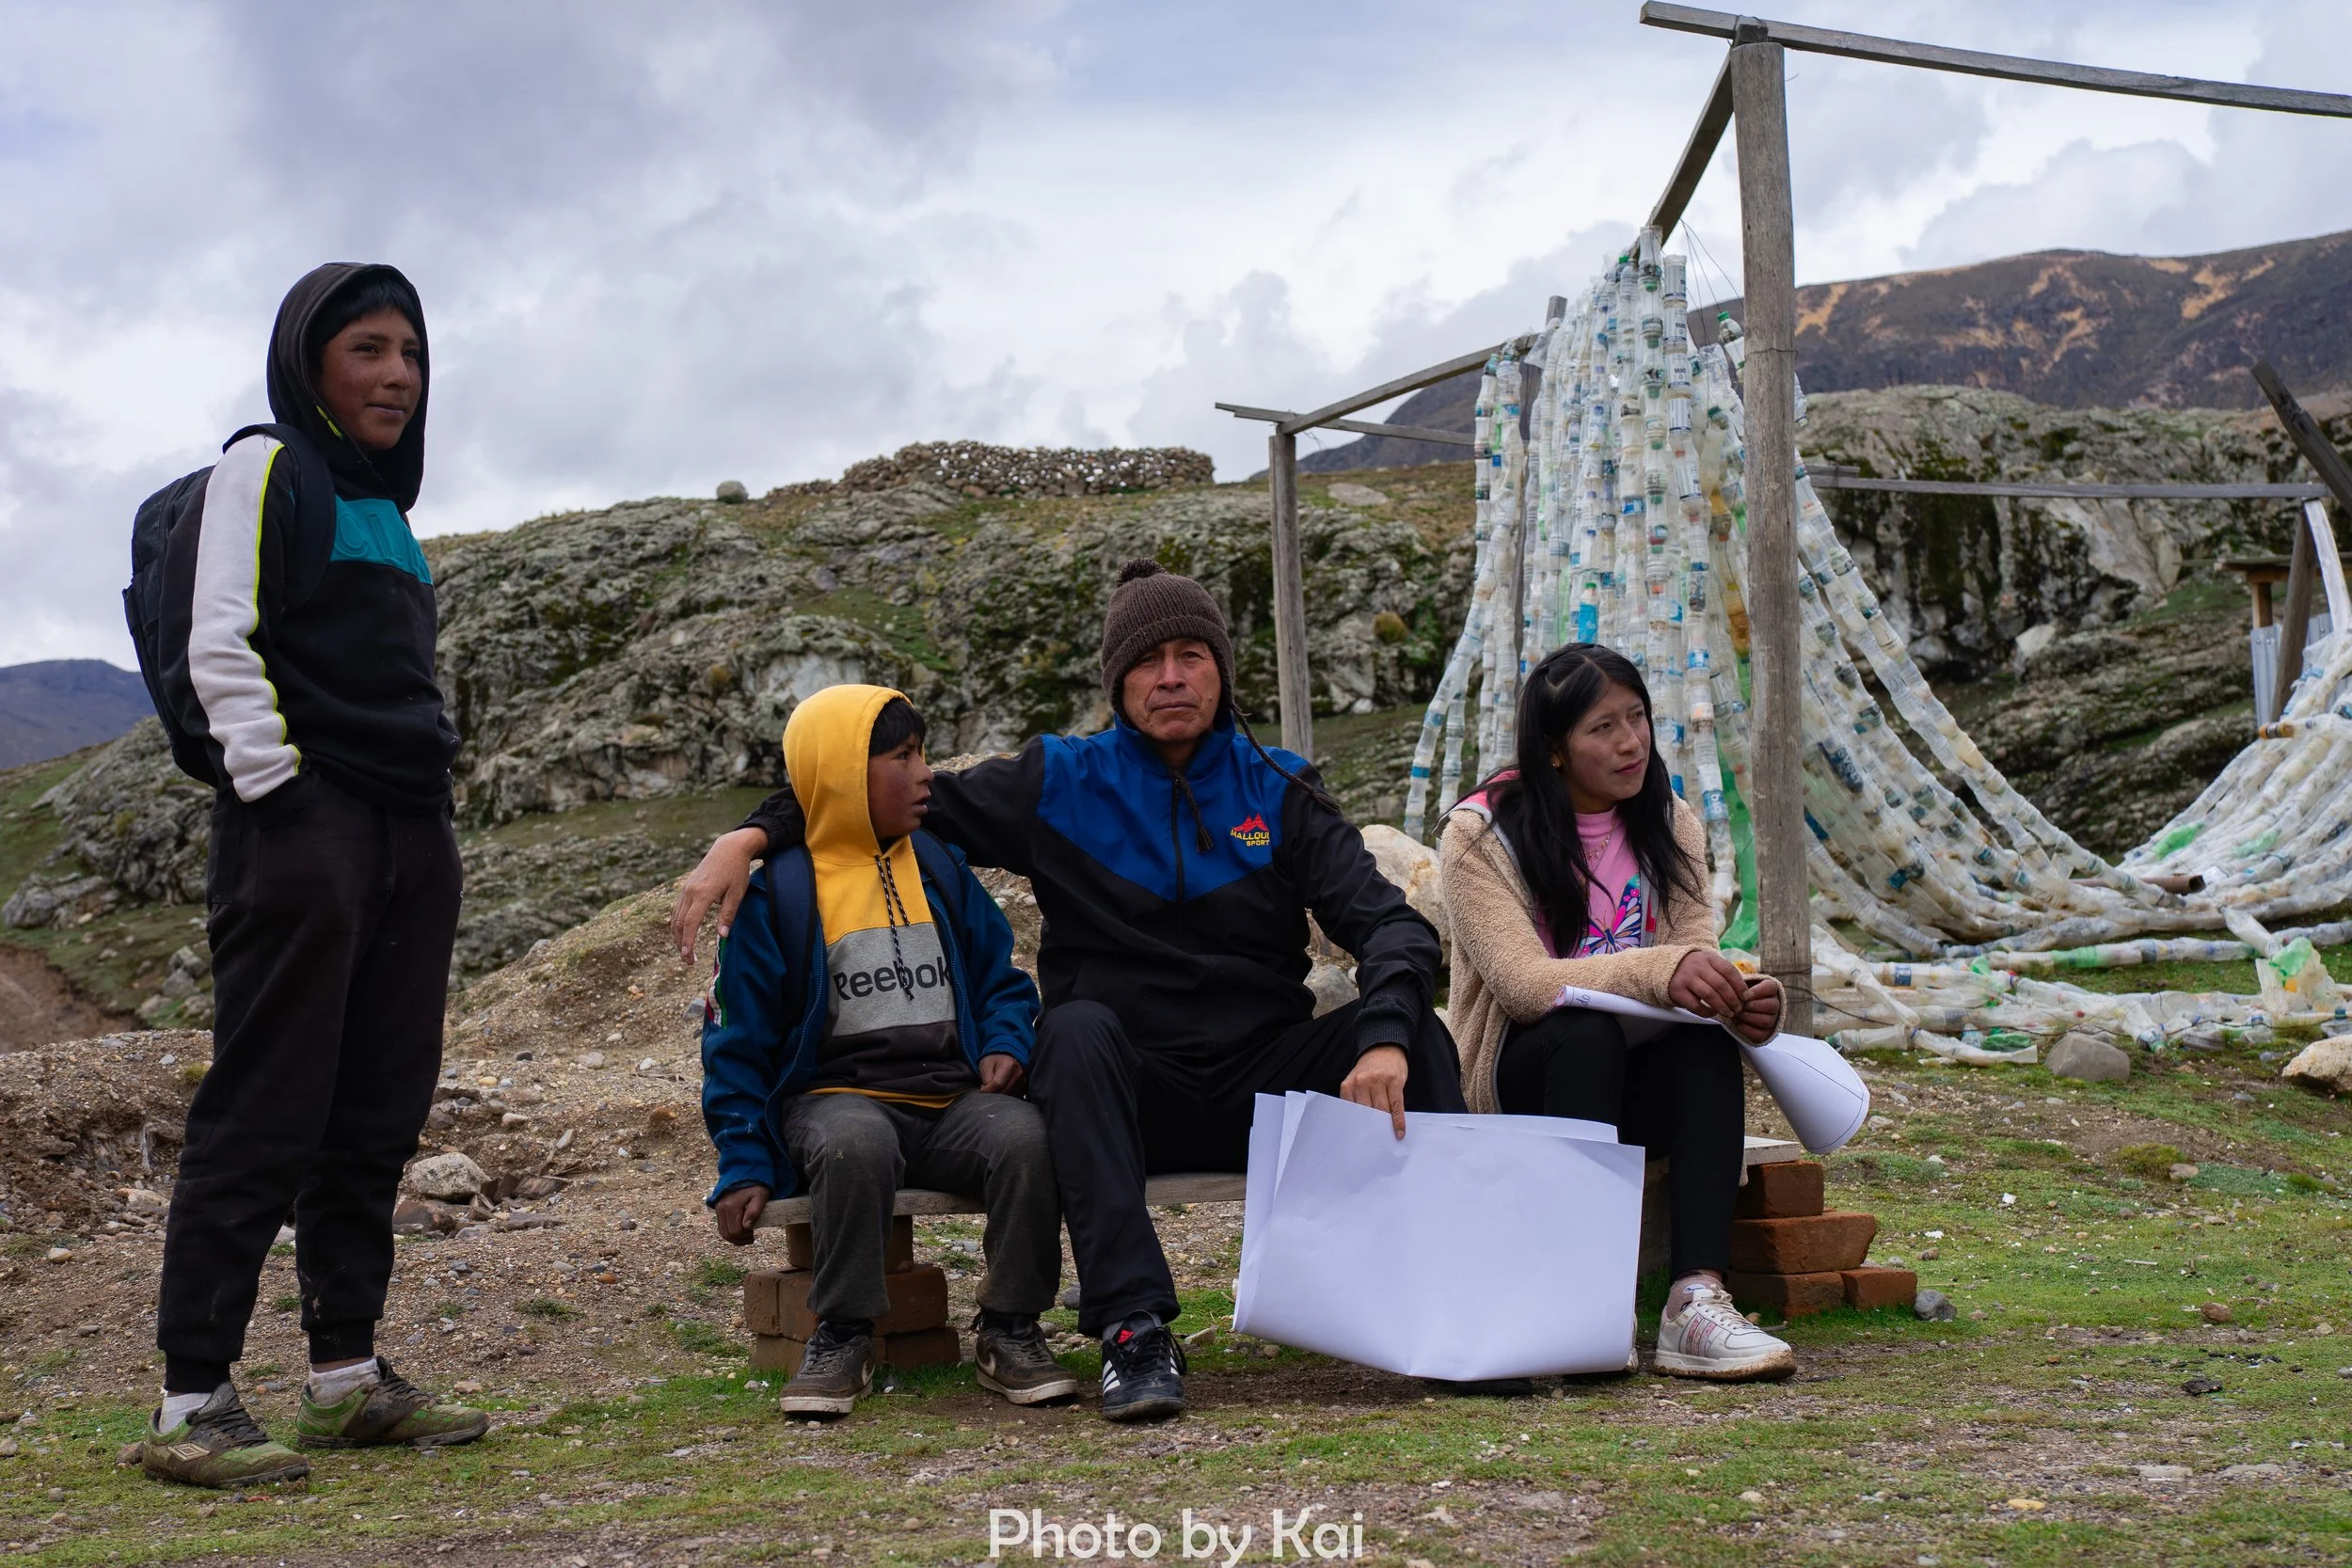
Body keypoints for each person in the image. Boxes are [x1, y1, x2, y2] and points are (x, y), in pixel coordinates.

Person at [675, 561, 1463, 1421]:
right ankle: (1132, 1329)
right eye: (1148, 659)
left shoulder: (1279, 788)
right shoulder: (1059, 781)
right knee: (1077, 1029)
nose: (1171, 677)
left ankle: (1459, 1301)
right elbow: (874, 793)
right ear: (1116, 680)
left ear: (1222, 670)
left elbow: (1394, 926)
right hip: (1122, 1100)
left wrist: (1384, 1030)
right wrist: (747, 836)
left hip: (1260, 1086)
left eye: (1192, 655)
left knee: (1418, 1033)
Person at [141, 264, 486, 1488]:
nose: (397, 373)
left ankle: (343, 1378)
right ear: (311, 362)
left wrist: (424, 821)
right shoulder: (266, 465)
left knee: (376, 1103)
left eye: (412, 354)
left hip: (408, 833)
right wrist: (279, 795)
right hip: (303, 827)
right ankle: (193, 1398)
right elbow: (217, 637)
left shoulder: (389, 512)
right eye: (370, 349)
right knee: (267, 1101)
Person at [700, 684, 1073, 1416]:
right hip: (835, 1102)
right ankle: (841, 1333)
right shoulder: (781, 892)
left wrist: (1004, 1040)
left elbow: (1001, 976)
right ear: (841, 773)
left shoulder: (937, 864)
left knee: (1026, 1138)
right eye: (901, 756)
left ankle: (1010, 1327)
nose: (926, 771)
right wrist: (743, 1161)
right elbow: (734, 1043)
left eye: (922, 752)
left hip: (950, 1101)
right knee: (854, 1145)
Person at [1439, 642, 1794, 1382]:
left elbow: (1694, 950)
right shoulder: (1480, 834)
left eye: (1637, 717)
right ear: (1555, 750)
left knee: (1701, 1046)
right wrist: (1666, 969)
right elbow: (1524, 985)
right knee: (1583, 1029)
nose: (1631, 742)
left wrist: (1738, 1002)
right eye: (1603, 727)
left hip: (1633, 1090)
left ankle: (1695, 1301)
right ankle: (1581, 1299)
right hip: (1522, 1085)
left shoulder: (1669, 819)